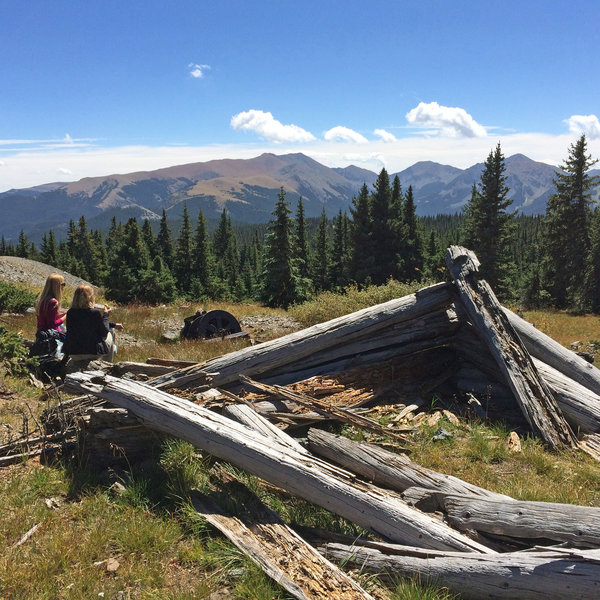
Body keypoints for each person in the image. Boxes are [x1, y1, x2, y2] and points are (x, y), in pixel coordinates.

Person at [64, 284, 123, 363]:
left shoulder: (70, 312)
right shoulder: (94, 313)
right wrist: (106, 315)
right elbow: (104, 332)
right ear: (90, 297)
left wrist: (113, 324)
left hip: (73, 352)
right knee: (111, 331)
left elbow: (84, 325)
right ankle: (108, 364)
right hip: (91, 352)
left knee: (111, 328)